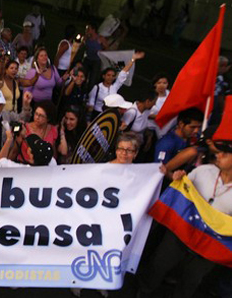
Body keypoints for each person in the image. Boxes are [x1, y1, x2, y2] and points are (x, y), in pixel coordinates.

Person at [138, 140, 232, 298]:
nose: (219, 155)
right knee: (159, 265)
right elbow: (183, 190)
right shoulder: (203, 171)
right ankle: (144, 291)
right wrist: (179, 179)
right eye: (219, 151)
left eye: (225, 153)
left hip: (211, 243)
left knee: (191, 280)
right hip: (181, 232)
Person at [87, 51, 144, 119]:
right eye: (108, 75)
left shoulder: (114, 87)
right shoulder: (97, 87)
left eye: (113, 76)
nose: (110, 77)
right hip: (96, 114)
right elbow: (91, 103)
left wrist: (133, 59)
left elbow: (122, 74)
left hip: (109, 115)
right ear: (103, 76)